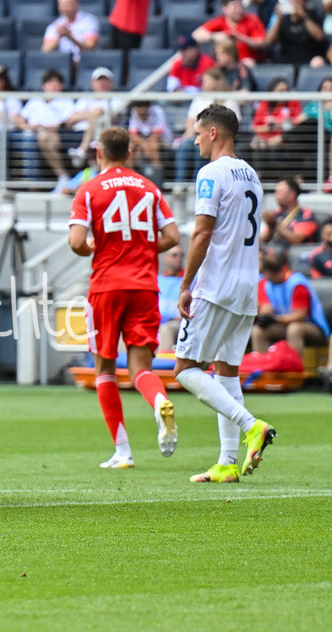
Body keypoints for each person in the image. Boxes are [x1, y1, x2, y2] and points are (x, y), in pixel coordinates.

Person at [174, 103, 277, 484]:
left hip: (216, 287)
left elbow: (202, 232)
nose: (196, 139)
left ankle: (253, 426)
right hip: (247, 286)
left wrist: (185, 285)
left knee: (185, 368)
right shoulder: (251, 174)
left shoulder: (211, 173)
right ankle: (228, 462)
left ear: (214, 132)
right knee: (227, 369)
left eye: (199, 132)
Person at [69, 127, 180, 468]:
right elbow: (173, 236)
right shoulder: (149, 188)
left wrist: (97, 246)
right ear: (130, 154)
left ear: (99, 154)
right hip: (145, 286)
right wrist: (142, 250)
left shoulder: (89, 190)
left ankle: (123, 451)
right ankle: (159, 398)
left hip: (107, 286)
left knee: (103, 367)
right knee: (140, 367)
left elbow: (76, 242)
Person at [252, 247, 330, 360]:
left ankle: (293, 369)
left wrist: (275, 319)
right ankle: (262, 369)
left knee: (294, 328)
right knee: (258, 330)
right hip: (285, 326)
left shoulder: (297, 284)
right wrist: (264, 317)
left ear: (270, 272)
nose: (265, 276)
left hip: (313, 328)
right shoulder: (267, 283)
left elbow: (300, 316)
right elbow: (267, 307)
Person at [174, 68, 240, 183]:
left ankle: (197, 183)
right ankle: (179, 184)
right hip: (196, 134)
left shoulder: (228, 100)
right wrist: (190, 134)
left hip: (216, 137)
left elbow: (233, 123)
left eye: (207, 80)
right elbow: (190, 121)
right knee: (185, 145)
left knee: (200, 148)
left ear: (217, 81)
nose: (203, 83)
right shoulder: (199, 98)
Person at [15, 69, 76, 190]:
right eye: (50, 82)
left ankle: (62, 177)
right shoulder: (35, 100)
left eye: (57, 82)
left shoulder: (66, 101)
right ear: (44, 85)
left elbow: (66, 122)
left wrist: (43, 127)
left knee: (43, 138)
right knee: (28, 141)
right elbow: (20, 118)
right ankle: (33, 186)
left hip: (53, 133)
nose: (53, 85)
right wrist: (28, 127)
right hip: (30, 134)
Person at [67, 67, 122, 169]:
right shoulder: (85, 98)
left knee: (98, 112)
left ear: (112, 83)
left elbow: (115, 117)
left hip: (102, 134)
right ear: (93, 83)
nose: (102, 83)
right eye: (99, 81)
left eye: (105, 80)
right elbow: (71, 120)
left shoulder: (116, 99)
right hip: (80, 133)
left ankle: (82, 150)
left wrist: (88, 115)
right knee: (97, 112)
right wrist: (93, 114)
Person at [193, 0, 267, 65]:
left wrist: (242, 38)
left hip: (247, 60)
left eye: (240, 6)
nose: (239, 10)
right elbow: (196, 35)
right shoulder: (220, 21)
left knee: (248, 63)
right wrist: (216, 36)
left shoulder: (252, 20)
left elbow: (261, 43)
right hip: (224, 62)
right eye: (235, 7)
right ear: (225, 9)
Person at [265, 0, 327, 68]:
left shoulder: (312, 15)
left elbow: (320, 37)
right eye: (291, 0)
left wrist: (304, 17)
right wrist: (278, 20)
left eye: (297, 1)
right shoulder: (283, 19)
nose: (293, 4)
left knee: (318, 62)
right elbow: (269, 41)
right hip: (287, 61)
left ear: (304, 1)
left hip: (309, 60)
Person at [42, 0, 100, 65]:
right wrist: (59, 36)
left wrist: (70, 37)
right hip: (62, 65)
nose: (63, 7)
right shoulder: (55, 26)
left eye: (66, 3)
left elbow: (90, 47)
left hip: (86, 63)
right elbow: (45, 51)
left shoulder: (89, 22)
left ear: (76, 3)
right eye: (61, 3)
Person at [251, 78, 300, 163]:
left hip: (283, 141)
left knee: (274, 150)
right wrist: (272, 128)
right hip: (263, 140)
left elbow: (296, 125)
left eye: (286, 90)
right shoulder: (265, 103)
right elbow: (256, 127)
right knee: (257, 147)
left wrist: (279, 128)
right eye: (281, 91)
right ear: (272, 92)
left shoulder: (293, 103)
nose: (284, 93)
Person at [260, 178, 319, 246]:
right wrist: (270, 227)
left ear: (292, 195)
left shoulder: (306, 215)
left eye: (279, 192)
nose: (275, 195)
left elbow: (297, 239)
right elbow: (262, 241)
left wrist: (275, 224)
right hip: (273, 252)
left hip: (296, 254)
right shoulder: (276, 214)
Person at [128, 100, 172, 175]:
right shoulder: (134, 112)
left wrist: (145, 145)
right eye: (138, 106)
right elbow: (133, 134)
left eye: (142, 106)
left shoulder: (157, 111)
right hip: (144, 139)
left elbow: (156, 135)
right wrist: (144, 145)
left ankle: (156, 174)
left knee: (153, 146)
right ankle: (131, 174)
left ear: (148, 107)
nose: (140, 109)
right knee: (130, 146)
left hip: (163, 139)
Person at [157, 246, 185, 352]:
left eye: (181, 255)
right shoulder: (158, 280)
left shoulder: (189, 281)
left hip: (178, 323)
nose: (178, 258)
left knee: (166, 329)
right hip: (157, 322)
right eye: (174, 255)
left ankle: (162, 366)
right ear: (165, 257)